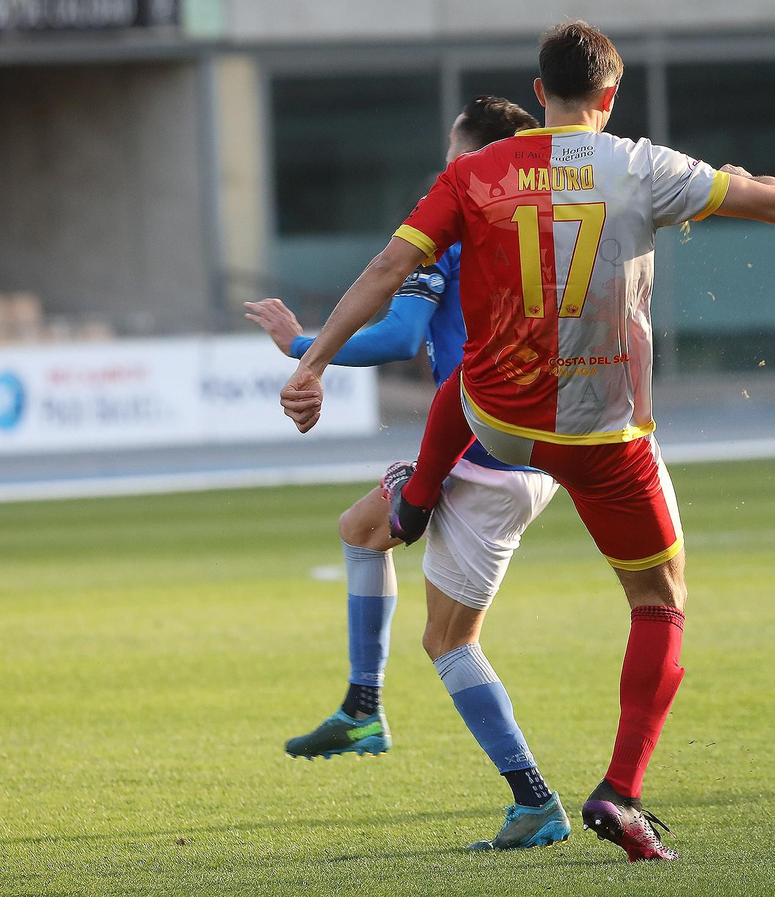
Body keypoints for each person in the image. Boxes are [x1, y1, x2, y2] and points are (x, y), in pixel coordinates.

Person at [276, 21, 775, 862]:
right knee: (659, 601)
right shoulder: (643, 164)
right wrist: (735, 180)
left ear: (537, 90)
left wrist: (313, 365)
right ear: (611, 95)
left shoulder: (474, 172)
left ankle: (413, 500)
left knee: (470, 378)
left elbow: (383, 271)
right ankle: (621, 790)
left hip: (500, 425)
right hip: (603, 435)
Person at [247, 95, 574, 852]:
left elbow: (399, 332)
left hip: (480, 450)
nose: (450, 170)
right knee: (361, 530)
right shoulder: (546, 221)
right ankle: (363, 706)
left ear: (477, 155)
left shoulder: (459, 226)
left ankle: (534, 798)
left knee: (451, 643)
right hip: (531, 443)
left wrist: (301, 345)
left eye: (458, 156)